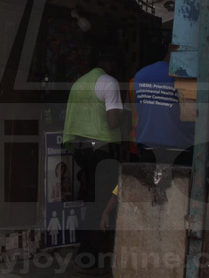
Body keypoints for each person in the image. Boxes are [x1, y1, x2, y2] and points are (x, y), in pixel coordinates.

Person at [62, 52, 124, 275]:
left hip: (80, 148)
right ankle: (86, 259)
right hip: (101, 149)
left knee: (93, 201)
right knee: (101, 204)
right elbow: (113, 121)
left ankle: (96, 254)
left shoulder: (79, 83)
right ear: (110, 65)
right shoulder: (109, 82)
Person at [133, 46, 195, 166]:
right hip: (181, 148)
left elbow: (140, 109)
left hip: (148, 147)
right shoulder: (183, 77)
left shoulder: (140, 75)